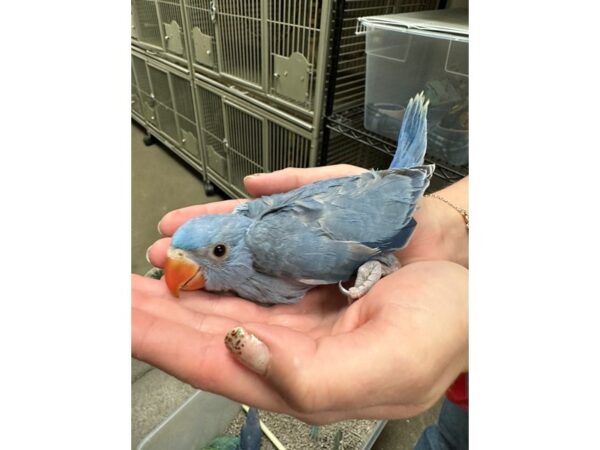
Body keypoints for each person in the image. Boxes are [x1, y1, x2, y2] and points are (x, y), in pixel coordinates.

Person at [132, 165, 469, 446]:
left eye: (219, 252)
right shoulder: (253, 238)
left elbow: (363, 235)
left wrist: (385, 260)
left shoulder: (275, 245)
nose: (184, 272)